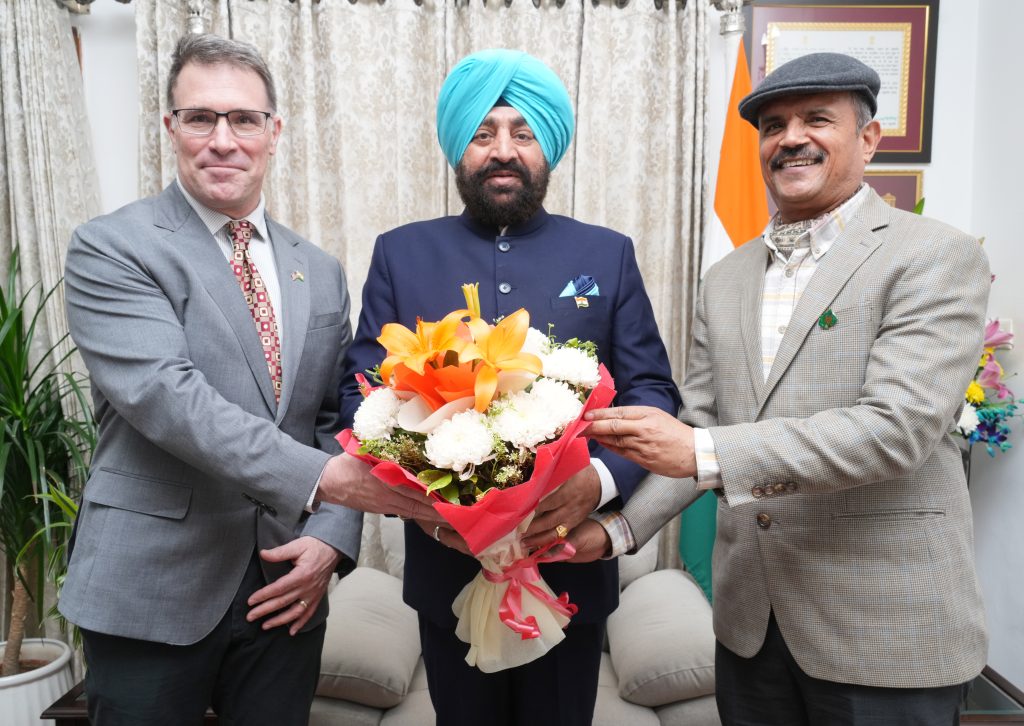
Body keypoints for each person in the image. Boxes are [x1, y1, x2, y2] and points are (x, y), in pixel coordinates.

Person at [570, 52, 990, 725]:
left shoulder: (933, 255)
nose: (791, 138)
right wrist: (617, 529)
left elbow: (897, 429)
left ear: (869, 139)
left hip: (883, 629)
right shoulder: (726, 278)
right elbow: (700, 423)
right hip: (750, 628)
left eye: (816, 119)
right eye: (773, 126)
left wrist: (701, 450)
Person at [59, 34, 439, 726]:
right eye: (200, 118)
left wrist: (331, 536)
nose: (222, 140)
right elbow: (168, 398)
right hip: (151, 586)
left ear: (274, 131)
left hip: (287, 584)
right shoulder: (111, 246)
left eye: (243, 119)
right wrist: (328, 483)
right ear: (171, 127)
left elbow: (335, 419)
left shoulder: (318, 269)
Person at [339, 48, 681, 726]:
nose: (503, 150)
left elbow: (653, 394)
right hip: (447, 566)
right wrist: (426, 500)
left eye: (523, 133)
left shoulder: (606, 253)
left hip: (569, 565)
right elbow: (362, 397)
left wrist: (597, 485)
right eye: (483, 133)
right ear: (458, 148)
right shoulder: (401, 252)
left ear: (547, 147)